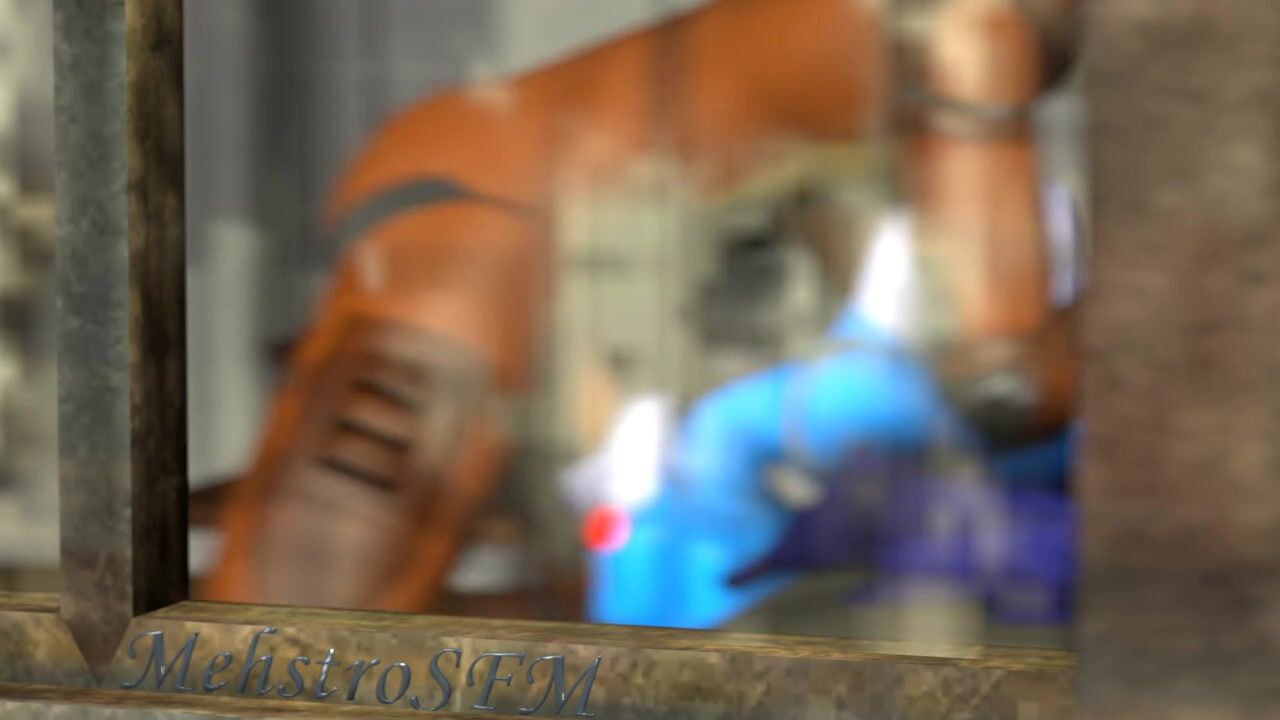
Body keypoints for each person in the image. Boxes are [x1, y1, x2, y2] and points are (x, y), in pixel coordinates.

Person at [202, 0, 1082, 619]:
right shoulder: (980, 28)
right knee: (305, 613)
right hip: (499, 214)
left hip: (633, 268)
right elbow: (1002, 374)